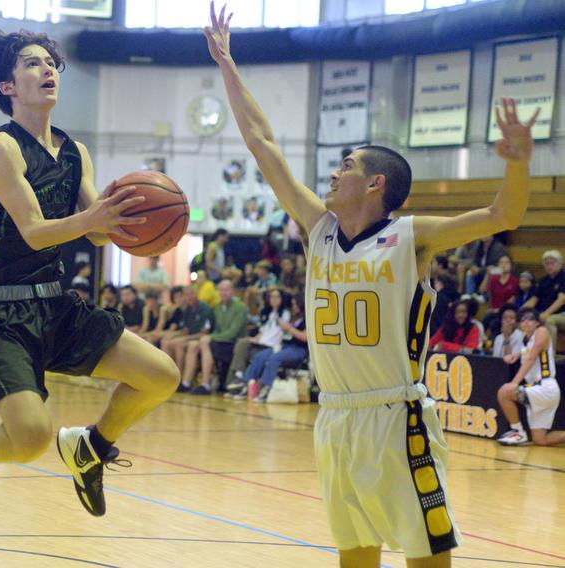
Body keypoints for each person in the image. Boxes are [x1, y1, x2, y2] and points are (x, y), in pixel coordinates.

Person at [206, 3, 538, 564]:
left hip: (396, 417)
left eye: (347, 165)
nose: (334, 173)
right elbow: (263, 145)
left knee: (424, 552)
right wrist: (228, 66)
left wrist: (519, 162)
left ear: (375, 182)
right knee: (355, 552)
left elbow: (504, 214)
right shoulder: (318, 228)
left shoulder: (413, 236)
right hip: (334, 415)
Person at [0, 27, 179, 517]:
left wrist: (127, 221)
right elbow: (35, 230)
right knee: (31, 437)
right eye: (32, 63)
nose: (47, 69)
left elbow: (97, 233)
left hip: (55, 304)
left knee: (162, 375)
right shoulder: (0, 149)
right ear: (8, 87)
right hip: (0, 314)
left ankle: (91, 446)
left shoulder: (75, 152)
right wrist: (93, 220)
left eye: (50, 63)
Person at [496, 308, 564, 446]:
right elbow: (528, 351)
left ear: (537, 322)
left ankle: (518, 432)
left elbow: (532, 357)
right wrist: (515, 355)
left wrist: (514, 383)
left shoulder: (542, 332)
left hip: (545, 387)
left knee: (504, 392)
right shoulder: (525, 340)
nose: (526, 322)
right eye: (523, 319)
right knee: (540, 440)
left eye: (530, 319)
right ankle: (520, 433)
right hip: (539, 389)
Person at [180, 279, 248, 395]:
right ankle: (186, 382)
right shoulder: (218, 307)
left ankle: (205, 384)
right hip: (220, 342)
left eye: (226, 290)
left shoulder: (240, 307)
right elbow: (216, 329)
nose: (223, 293)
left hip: (234, 344)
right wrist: (212, 336)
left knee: (204, 341)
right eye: (221, 290)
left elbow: (232, 333)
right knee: (193, 345)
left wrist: (211, 337)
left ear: (232, 292)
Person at [225, 288, 290, 396]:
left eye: (277, 297)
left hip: (271, 345)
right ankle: (238, 375)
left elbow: (283, 332)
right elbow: (262, 331)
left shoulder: (285, 313)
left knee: (254, 353)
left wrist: (278, 346)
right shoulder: (267, 313)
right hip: (261, 342)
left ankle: (243, 381)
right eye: (272, 297)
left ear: (282, 299)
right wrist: (254, 339)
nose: (274, 299)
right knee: (242, 343)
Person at [245, 296, 308, 402]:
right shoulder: (293, 318)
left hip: (298, 349)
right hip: (285, 346)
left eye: (295, 304)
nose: (293, 307)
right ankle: (248, 383)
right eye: (292, 304)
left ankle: (265, 387)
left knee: (275, 358)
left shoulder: (307, 319)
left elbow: (304, 337)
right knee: (262, 355)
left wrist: (289, 328)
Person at [162, 285, 214, 383]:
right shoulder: (188, 310)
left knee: (180, 344)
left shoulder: (205, 309)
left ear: (196, 294)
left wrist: (184, 338)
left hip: (203, 339)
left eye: (191, 294)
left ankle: (180, 379)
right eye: (186, 295)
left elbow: (204, 333)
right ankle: (168, 377)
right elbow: (185, 330)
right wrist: (172, 336)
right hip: (191, 338)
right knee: (168, 343)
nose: (189, 297)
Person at [523, 250, 565, 347]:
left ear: (560, 264)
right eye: (547, 264)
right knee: (524, 319)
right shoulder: (544, 280)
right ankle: (526, 353)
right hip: (544, 313)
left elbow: (561, 300)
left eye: (552, 263)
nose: (549, 266)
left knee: (549, 321)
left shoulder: (563, 278)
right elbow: (534, 300)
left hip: (562, 314)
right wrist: (521, 311)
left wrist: (547, 313)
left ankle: (550, 357)